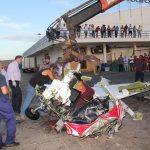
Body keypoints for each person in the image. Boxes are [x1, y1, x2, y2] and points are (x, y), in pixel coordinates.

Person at [0, 74, 19, 149]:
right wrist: (8, 89)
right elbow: (4, 91)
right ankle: (10, 141)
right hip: (2, 101)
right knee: (11, 119)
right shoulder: (0, 76)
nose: (1, 66)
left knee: (2, 119)